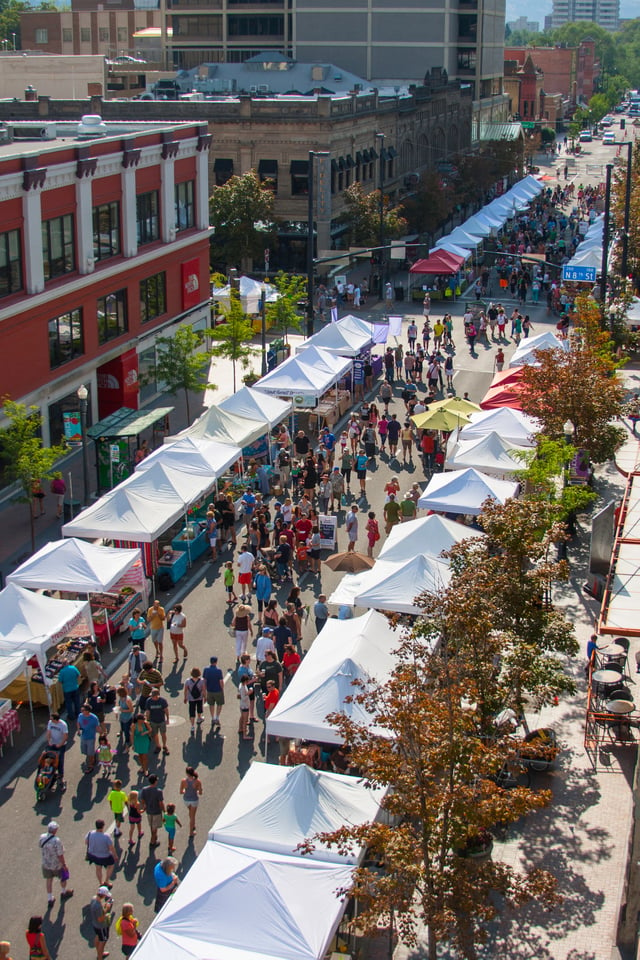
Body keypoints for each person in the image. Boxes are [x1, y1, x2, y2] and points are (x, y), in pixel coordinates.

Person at [39, 821, 72, 906]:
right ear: (55, 830)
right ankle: (63, 892)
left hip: (46, 863)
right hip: (57, 865)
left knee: (49, 880)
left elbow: (40, 845)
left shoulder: (42, 837)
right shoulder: (56, 840)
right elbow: (60, 855)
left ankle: (50, 898)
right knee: (63, 878)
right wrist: (64, 865)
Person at [85, 820, 118, 887]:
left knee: (98, 868)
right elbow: (111, 847)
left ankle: (100, 882)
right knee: (111, 865)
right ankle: (106, 881)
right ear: (103, 826)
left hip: (94, 855)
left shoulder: (90, 833)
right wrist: (115, 855)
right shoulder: (106, 836)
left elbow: (86, 842)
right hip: (105, 855)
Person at [141, 774, 165, 848]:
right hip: (156, 812)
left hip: (149, 811)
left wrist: (144, 807)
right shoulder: (158, 791)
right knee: (155, 828)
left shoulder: (144, 789)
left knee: (151, 826)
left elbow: (142, 800)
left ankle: (154, 837)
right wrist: (164, 811)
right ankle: (152, 841)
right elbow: (160, 803)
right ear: (155, 781)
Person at [89, 887, 113, 960]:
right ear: (103, 895)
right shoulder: (98, 906)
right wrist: (107, 909)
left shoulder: (94, 899)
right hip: (101, 926)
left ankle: (100, 953)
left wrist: (104, 905)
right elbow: (100, 919)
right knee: (102, 941)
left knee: (97, 937)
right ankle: (100, 956)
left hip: (95, 925)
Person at [145, 688, 170, 755]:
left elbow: (166, 710)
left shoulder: (162, 701)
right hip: (153, 721)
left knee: (163, 734)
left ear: (157, 696)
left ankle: (164, 746)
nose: (152, 698)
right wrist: (148, 720)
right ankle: (158, 746)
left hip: (161, 720)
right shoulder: (149, 701)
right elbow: (148, 711)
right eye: (152, 696)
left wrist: (167, 719)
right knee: (155, 734)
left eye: (154, 696)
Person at [180, 766, 203, 836]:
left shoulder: (183, 781)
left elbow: (181, 791)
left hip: (186, 799)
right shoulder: (198, 781)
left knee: (190, 812)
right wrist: (198, 791)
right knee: (192, 816)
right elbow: (200, 793)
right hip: (194, 800)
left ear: (187, 773)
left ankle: (193, 825)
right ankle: (191, 831)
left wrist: (185, 791)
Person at [46, 712, 68, 783]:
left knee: (60, 761)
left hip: (60, 745)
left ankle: (61, 776)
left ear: (56, 720)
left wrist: (60, 744)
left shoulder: (63, 725)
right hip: (52, 744)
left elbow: (65, 736)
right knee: (49, 758)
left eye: (52, 719)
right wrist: (49, 741)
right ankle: (50, 773)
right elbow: (48, 732)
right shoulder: (50, 722)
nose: (50, 720)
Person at [203, 656, 225, 726]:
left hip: (209, 690)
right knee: (219, 704)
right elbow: (221, 681)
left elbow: (204, 681)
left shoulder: (206, 669)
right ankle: (217, 717)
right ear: (216, 662)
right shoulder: (218, 670)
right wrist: (222, 689)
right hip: (218, 690)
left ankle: (212, 718)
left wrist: (205, 691)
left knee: (211, 704)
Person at [78, 704, 100, 773]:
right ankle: (93, 756)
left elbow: (97, 727)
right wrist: (78, 730)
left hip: (91, 738)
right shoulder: (80, 715)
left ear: (87, 711)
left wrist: (102, 734)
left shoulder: (94, 718)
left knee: (90, 753)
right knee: (84, 751)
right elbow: (78, 723)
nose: (82, 711)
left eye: (83, 710)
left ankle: (91, 765)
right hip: (83, 737)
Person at [184, 667, 205, 732]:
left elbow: (185, 690)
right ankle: (199, 718)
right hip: (199, 697)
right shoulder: (201, 681)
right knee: (199, 708)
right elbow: (204, 690)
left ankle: (192, 726)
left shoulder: (187, 681)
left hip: (191, 698)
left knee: (192, 711)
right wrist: (205, 697)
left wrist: (185, 697)